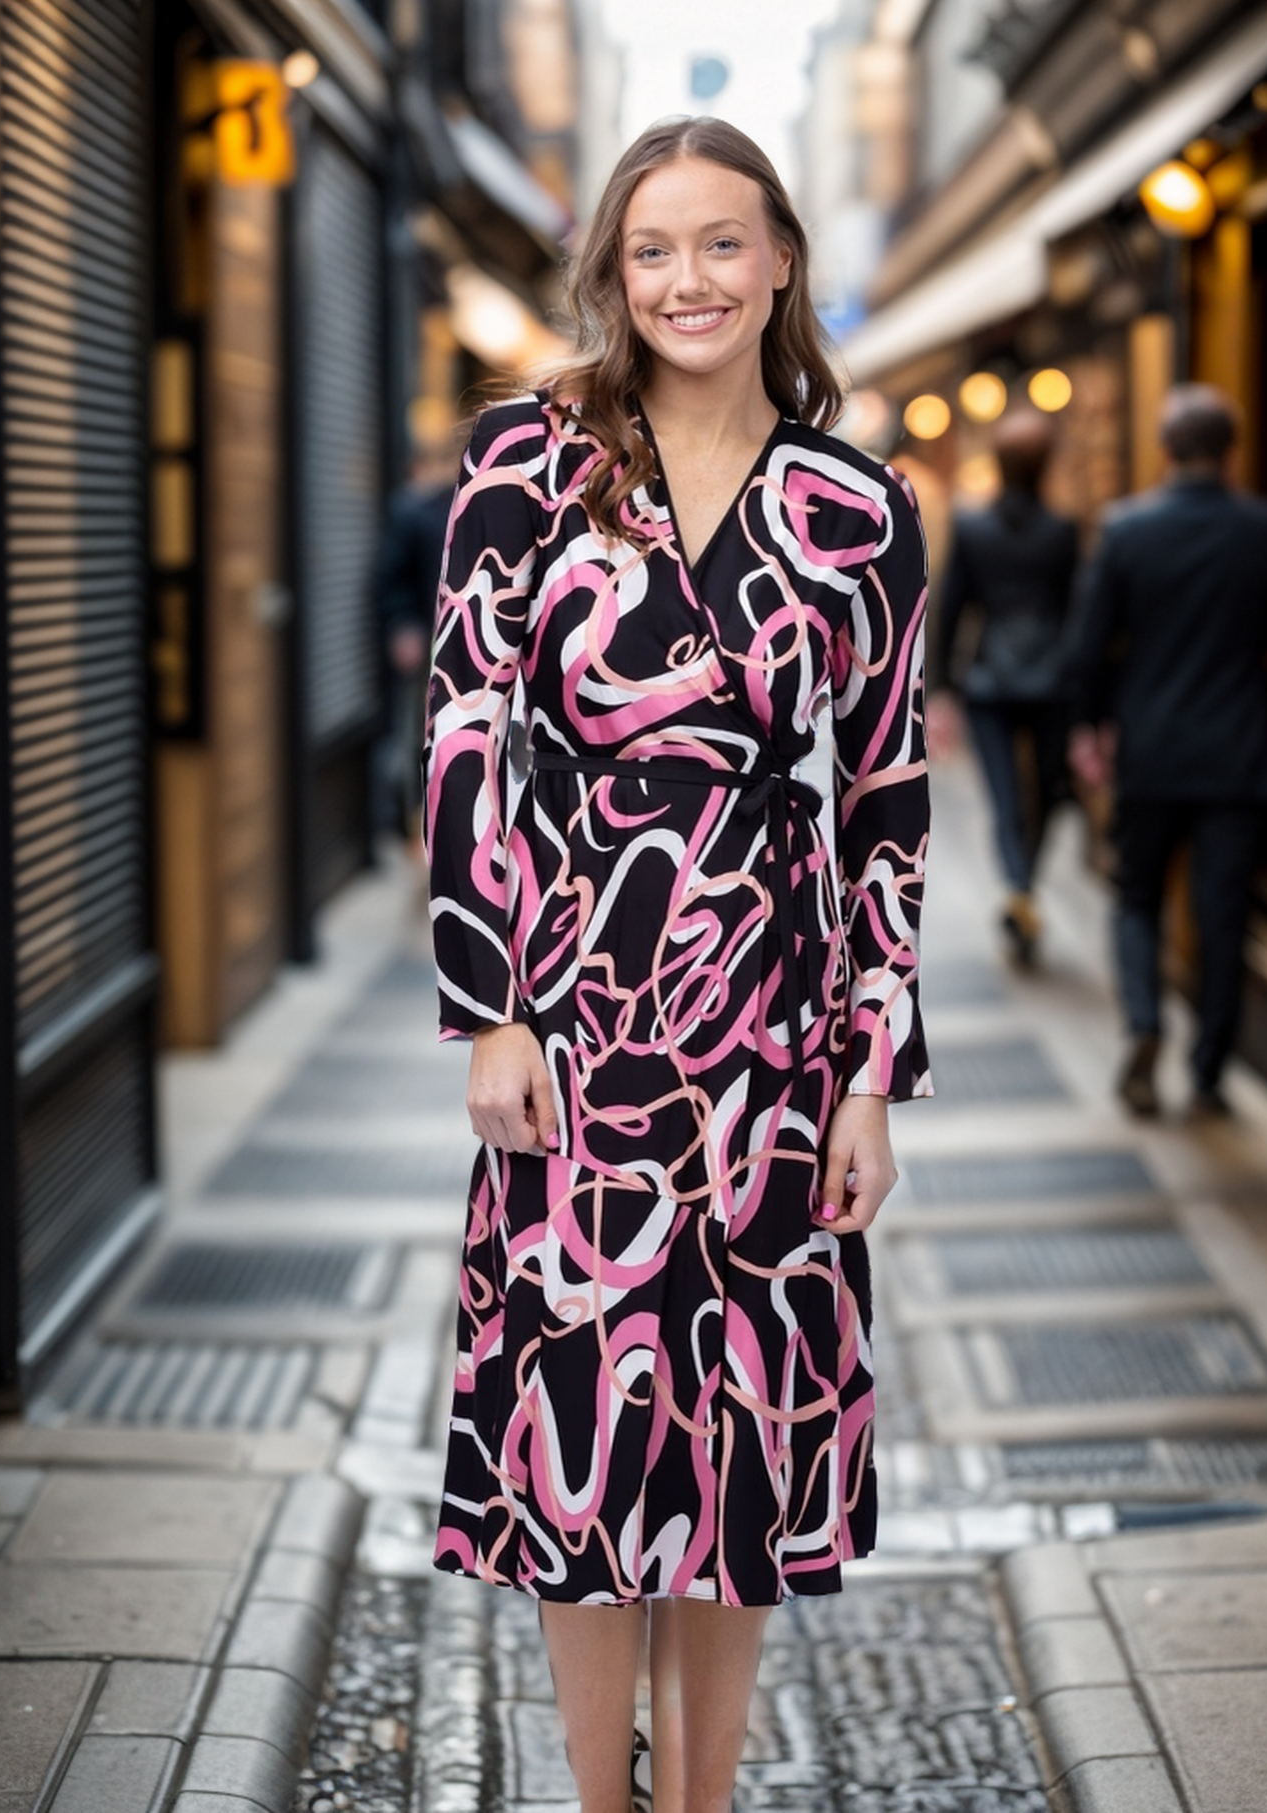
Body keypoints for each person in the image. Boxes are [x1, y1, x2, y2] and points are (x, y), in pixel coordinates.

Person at [422, 118, 932, 1813]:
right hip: (579, 1027)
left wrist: (870, 1069)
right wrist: (491, 1003)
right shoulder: (528, 467)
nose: (689, 280)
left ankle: (702, 1798)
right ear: (613, 274)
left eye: (724, 244)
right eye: (655, 248)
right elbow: (468, 741)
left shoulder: (859, 507)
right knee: (585, 1451)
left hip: (781, 1049)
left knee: (745, 1450)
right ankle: (599, 1796)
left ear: (782, 258)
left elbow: (886, 805)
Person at [1069, 384, 1267, 1119]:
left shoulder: (1125, 530)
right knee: (1222, 913)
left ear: (1165, 450)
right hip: (1237, 754)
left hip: (1148, 748)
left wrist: (1090, 727)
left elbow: (1085, 648)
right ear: (1229, 453)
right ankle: (1209, 1069)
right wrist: (1264, 726)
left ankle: (1144, 1024)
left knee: (1136, 896)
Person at [934, 410, 1078, 964]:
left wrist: (943, 683)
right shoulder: (1063, 530)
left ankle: (1018, 889)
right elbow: (1073, 611)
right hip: (1051, 679)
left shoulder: (972, 528)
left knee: (1003, 796)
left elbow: (952, 608)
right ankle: (1024, 888)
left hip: (991, 678)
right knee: (1042, 793)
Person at [373, 426, 458, 836]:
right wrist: (402, 626)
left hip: (481, 649)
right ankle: (413, 823)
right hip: (428, 643)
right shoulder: (417, 511)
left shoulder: (495, 509)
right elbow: (391, 579)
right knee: (418, 735)